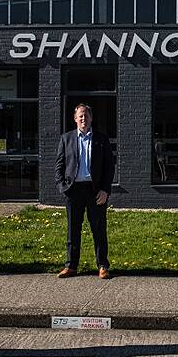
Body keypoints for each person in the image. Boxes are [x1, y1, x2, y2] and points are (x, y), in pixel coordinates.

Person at [55, 103, 116, 279]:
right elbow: (59, 166)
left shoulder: (101, 139)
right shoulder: (66, 139)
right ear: (75, 119)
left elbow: (109, 167)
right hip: (73, 190)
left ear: (91, 118)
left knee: (99, 229)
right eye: (80, 116)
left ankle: (103, 265)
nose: (83, 119)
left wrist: (105, 190)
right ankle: (71, 266)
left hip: (95, 190)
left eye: (86, 116)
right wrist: (63, 187)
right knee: (73, 230)